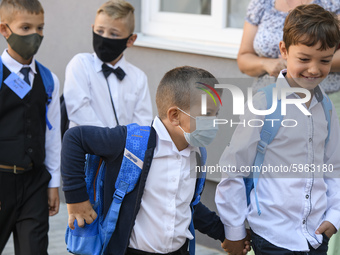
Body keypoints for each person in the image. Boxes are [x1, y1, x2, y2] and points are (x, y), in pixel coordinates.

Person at [61, 66, 251, 255]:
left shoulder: (197, 154)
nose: (214, 122)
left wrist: (227, 234)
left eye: (216, 114)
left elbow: (188, 205)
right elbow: (75, 138)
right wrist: (77, 199)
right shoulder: (132, 143)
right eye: (207, 114)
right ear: (174, 116)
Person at [216, 4, 340, 255]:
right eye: (304, 59)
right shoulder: (264, 104)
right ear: (284, 50)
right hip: (273, 236)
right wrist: (234, 231)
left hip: (315, 236)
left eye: (325, 60)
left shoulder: (326, 107)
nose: (314, 69)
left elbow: (334, 166)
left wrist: (334, 216)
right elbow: (234, 168)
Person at [0, 0, 61, 254]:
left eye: (40, 28)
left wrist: (53, 183)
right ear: (5, 30)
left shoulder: (48, 80)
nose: (35, 35)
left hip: (35, 183)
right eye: (25, 28)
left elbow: (53, 134)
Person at [63, 0, 152, 129]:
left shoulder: (139, 78)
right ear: (93, 29)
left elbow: (142, 124)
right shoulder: (80, 64)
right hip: (85, 148)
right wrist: (110, 143)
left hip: (124, 149)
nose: (104, 38)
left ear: (130, 40)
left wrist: (126, 148)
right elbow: (79, 111)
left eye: (114, 34)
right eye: (100, 31)